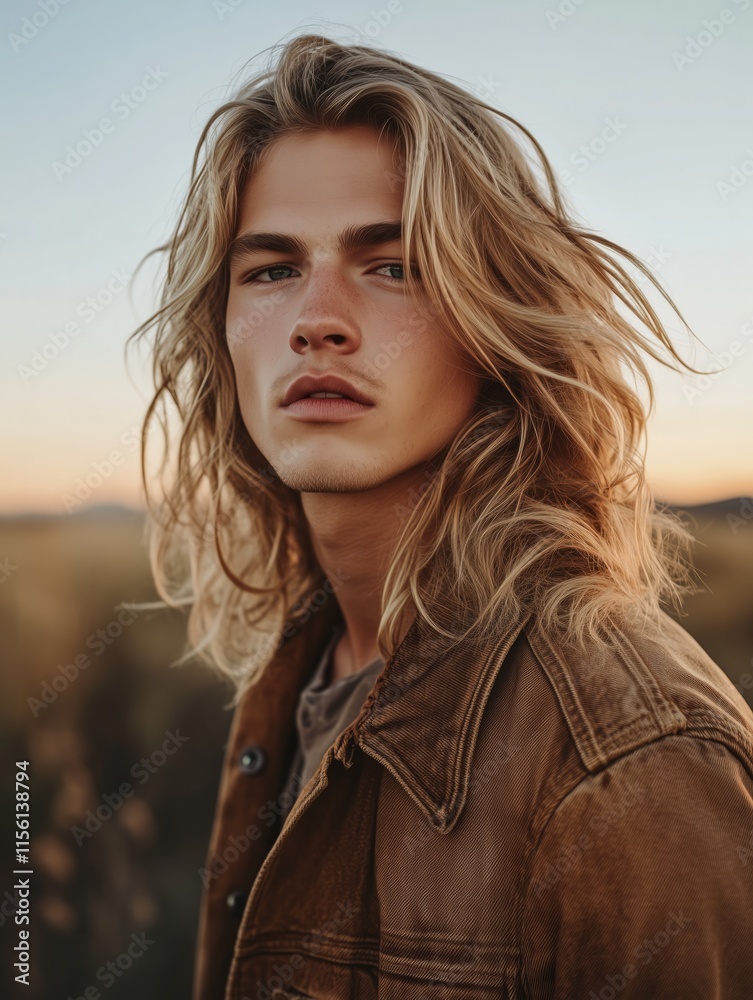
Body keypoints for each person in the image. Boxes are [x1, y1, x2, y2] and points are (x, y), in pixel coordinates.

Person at [128, 32, 753, 1000]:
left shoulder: (635, 756)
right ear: (221, 331)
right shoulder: (306, 661)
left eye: (394, 266)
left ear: (495, 319)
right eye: (269, 270)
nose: (317, 318)